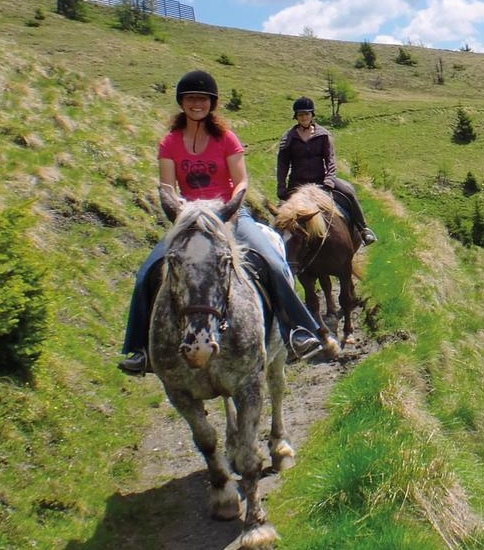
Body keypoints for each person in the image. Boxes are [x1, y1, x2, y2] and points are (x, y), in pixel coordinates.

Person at [118, 71, 325, 375]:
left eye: (202, 99)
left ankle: (298, 329)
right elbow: (166, 186)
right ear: (182, 102)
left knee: (272, 260)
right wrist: (176, 209)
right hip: (189, 219)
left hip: (230, 216)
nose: (196, 103)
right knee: (147, 272)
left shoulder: (226, 138)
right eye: (190, 98)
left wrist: (229, 209)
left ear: (212, 103)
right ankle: (138, 349)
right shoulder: (170, 142)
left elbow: (241, 182)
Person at [276, 96, 377, 245]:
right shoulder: (288, 138)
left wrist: (329, 179)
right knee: (281, 212)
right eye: (300, 115)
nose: (304, 117)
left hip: (321, 180)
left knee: (349, 193)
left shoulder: (323, 135)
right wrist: (281, 186)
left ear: (312, 115)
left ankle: (363, 230)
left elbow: (330, 159)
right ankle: (276, 238)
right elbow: (283, 164)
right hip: (298, 183)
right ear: (296, 117)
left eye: (306, 114)